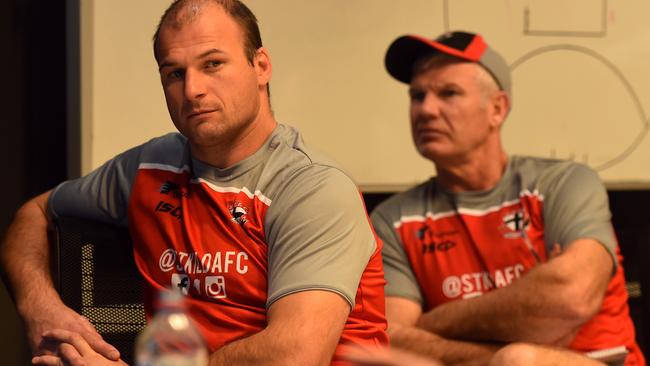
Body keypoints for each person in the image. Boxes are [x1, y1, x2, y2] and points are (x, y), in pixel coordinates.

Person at [0, 1, 389, 365]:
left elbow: (295, 355)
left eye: (213, 64)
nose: (192, 90)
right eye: (174, 73)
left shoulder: (312, 187)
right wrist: (42, 310)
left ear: (261, 66)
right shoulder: (149, 169)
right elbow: (33, 213)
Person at [370, 30, 645, 366]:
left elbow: (571, 296)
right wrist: (500, 350)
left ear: (497, 109)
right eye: (417, 96)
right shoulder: (392, 219)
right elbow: (393, 341)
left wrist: (431, 323)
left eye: (448, 93)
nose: (426, 109)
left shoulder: (562, 183)